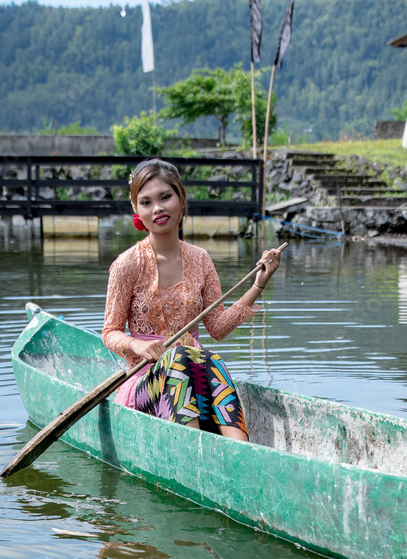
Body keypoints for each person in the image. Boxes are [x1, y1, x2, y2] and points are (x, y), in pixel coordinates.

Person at [102, 158, 281, 442]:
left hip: (196, 376)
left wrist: (259, 283)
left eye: (165, 197)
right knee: (179, 358)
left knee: (209, 358)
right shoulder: (128, 264)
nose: (157, 208)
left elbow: (217, 327)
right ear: (137, 209)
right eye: (146, 202)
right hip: (146, 385)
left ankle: (242, 448)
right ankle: (192, 448)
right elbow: (110, 332)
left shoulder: (200, 259)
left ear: (181, 199)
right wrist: (136, 344)